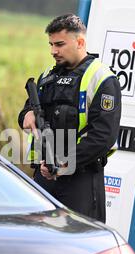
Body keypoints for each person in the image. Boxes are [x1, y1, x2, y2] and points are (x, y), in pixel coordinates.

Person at [18, 14, 121, 223]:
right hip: (44, 175)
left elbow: (102, 136)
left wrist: (62, 164)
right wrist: (25, 115)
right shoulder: (48, 74)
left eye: (59, 44)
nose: (53, 51)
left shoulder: (102, 78)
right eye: (51, 44)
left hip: (80, 180)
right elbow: (29, 108)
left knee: (77, 245)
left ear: (80, 42)